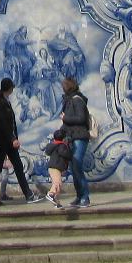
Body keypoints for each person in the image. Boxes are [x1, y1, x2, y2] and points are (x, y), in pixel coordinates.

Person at [0, 77, 35, 205]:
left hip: (9, 141)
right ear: (9, 88)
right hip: (2, 141)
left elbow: (11, 122)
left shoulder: (5, 100)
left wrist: (14, 137)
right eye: (12, 88)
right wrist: (13, 138)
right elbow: (3, 123)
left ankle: (28, 194)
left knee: (18, 166)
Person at [59, 75, 92, 207]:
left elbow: (81, 118)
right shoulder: (68, 101)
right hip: (72, 137)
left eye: (64, 86)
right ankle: (79, 196)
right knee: (74, 168)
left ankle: (85, 197)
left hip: (80, 137)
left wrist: (66, 119)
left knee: (77, 166)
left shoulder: (77, 100)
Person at [42, 129, 72, 207]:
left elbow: (47, 152)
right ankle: (50, 194)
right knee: (57, 183)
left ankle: (57, 203)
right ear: (63, 138)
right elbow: (65, 154)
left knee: (57, 186)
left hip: (52, 167)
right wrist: (68, 148)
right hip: (56, 167)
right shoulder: (61, 146)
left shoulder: (52, 145)